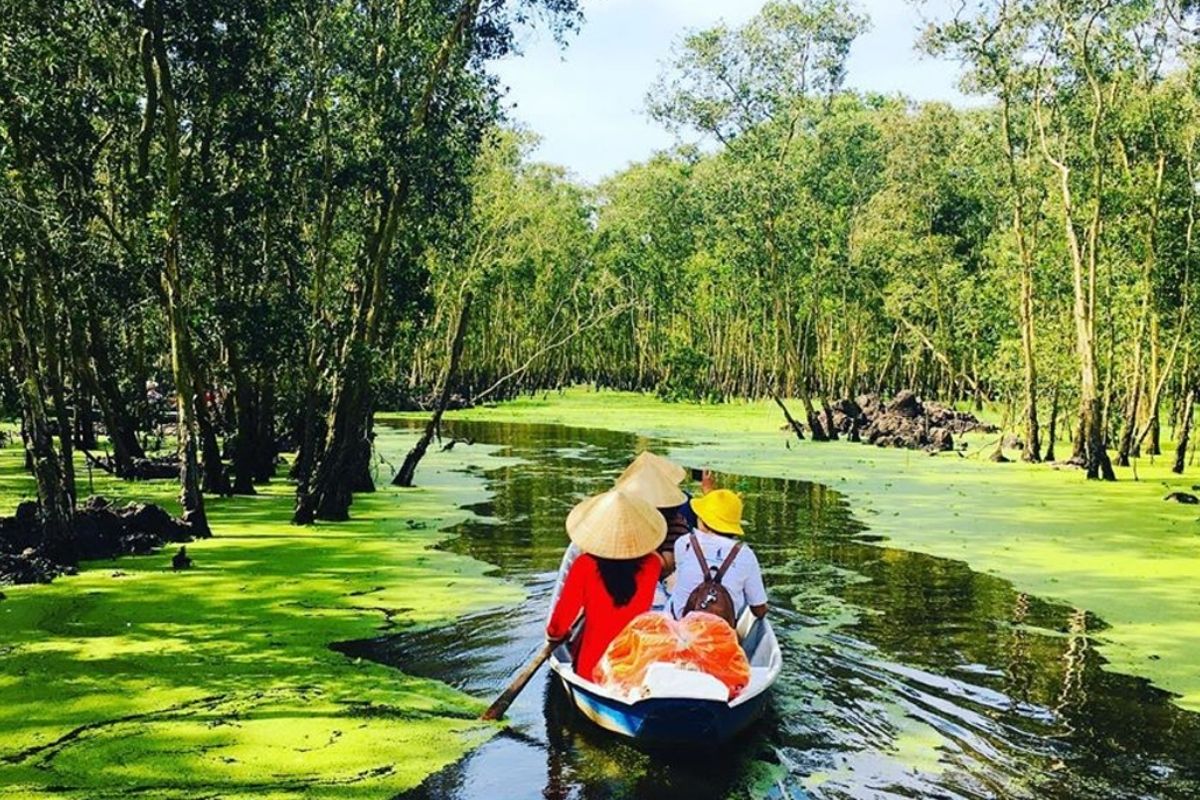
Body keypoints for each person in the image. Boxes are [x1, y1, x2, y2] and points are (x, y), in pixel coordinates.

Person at [546, 488, 666, 681]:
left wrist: (556, 635)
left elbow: (559, 624)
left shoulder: (584, 565)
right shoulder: (653, 564)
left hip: (593, 665)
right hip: (636, 662)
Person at [668, 489, 768, 623]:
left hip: (681, 628)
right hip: (720, 635)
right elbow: (758, 610)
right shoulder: (746, 555)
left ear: (703, 521)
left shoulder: (684, 543)